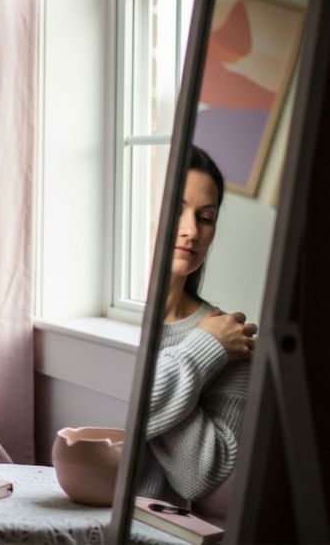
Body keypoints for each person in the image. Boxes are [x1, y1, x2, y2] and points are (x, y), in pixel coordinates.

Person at [140, 146, 258, 507]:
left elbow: (199, 476)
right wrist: (203, 349)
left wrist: (212, 346)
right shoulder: (216, 342)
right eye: (175, 208)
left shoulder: (232, 339)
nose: (191, 230)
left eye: (205, 217)